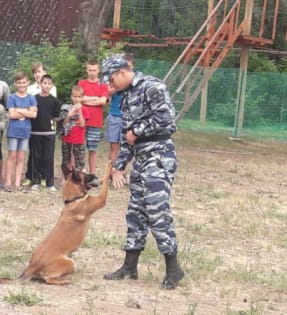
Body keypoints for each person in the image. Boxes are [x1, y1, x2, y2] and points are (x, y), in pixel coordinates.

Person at [101, 57, 184, 290]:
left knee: (156, 211)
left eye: (111, 77)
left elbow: (167, 119)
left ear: (123, 71)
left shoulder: (152, 87)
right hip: (141, 157)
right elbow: (128, 136)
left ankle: (173, 268)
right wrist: (119, 164)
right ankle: (130, 266)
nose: (110, 83)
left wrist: (138, 130)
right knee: (135, 212)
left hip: (159, 156)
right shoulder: (126, 95)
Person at [24, 74, 60, 191]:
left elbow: (56, 117)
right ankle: (35, 181)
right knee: (36, 157)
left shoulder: (54, 101)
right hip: (35, 133)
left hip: (49, 133)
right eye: (45, 83)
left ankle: (50, 183)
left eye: (49, 83)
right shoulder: (33, 99)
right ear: (40, 84)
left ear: (52, 85)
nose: (47, 85)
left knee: (48, 158)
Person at [4, 71, 37, 192]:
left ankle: (17, 182)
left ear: (28, 83)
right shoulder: (12, 97)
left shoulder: (31, 98)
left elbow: (33, 114)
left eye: (24, 82)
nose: (22, 85)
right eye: (19, 83)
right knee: (12, 156)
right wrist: (26, 111)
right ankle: (8, 182)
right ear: (15, 83)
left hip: (25, 132)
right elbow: (11, 115)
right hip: (13, 131)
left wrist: (20, 110)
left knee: (21, 157)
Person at [78, 59, 109, 185]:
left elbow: (103, 101)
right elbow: (79, 99)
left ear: (98, 70)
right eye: (90, 70)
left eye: (94, 70)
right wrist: (95, 98)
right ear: (86, 70)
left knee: (93, 149)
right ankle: (79, 174)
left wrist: (87, 100)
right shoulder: (81, 83)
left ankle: (92, 175)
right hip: (81, 121)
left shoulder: (103, 84)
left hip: (95, 122)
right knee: (79, 149)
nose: (92, 72)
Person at [58, 85, 89, 173]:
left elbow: (83, 124)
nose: (76, 99)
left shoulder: (85, 109)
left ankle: (80, 180)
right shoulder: (66, 108)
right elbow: (63, 123)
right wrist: (69, 115)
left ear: (82, 98)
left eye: (79, 97)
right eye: (75, 96)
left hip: (79, 139)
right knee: (66, 161)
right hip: (67, 138)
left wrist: (79, 112)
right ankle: (66, 179)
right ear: (71, 96)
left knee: (79, 162)